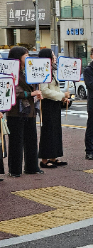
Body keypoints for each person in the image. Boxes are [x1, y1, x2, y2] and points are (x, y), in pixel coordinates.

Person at [6, 46, 43, 177]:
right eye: (25, 55)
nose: (28, 57)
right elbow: (12, 90)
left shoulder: (28, 70)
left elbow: (35, 86)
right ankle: (14, 169)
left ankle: (32, 167)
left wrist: (37, 93)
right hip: (16, 111)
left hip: (30, 110)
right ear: (18, 57)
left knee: (31, 139)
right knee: (16, 141)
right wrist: (31, 93)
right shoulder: (10, 70)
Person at [38, 48, 70, 169]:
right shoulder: (43, 71)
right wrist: (62, 95)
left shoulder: (52, 70)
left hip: (54, 104)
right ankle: (44, 160)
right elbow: (44, 91)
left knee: (55, 131)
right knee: (48, 131)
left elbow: (55, 89)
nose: (55, 57)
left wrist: (63, 98)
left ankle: (54, 157)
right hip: (47, 104)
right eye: (52, 55)